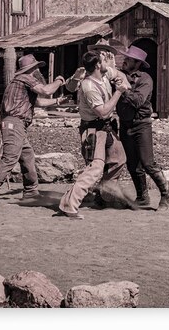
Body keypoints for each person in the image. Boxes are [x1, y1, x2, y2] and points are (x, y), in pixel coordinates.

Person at [0, 54, 67, 208]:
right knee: (10, 158)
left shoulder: (19, 82)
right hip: (15, 123)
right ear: (32, 69)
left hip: (16, 124)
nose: (39, 71)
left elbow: (38, 101)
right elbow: (46, 90)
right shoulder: (26, 78)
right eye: (37, 68)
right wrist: (59, 81)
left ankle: (31, 192)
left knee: (27, 156)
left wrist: (57, 101)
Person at [57, 50, 133, 219]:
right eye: (105, 60)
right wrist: (119, 92)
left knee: (119, 159)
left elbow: (118, 73)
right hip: (93, 129)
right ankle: (70, 204)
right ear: (98, 64)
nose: (108, 62)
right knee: (95, 168)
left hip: (107, 128)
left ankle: (105, 193)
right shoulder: (88, 86)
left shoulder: (104, 74)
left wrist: (124, 82)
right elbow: (104, 112)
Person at [116, 45, 169, 211]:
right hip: (125, 124)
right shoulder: (120, 76)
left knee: (147, 163)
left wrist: (124, 90)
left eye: (129, 59)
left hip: (142, 124)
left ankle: (166, 193)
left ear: (137, 63)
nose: (124, 60)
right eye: (125, 58)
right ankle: (142, 197)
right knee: (132, 164)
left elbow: (138, 101)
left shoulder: (145, 79)